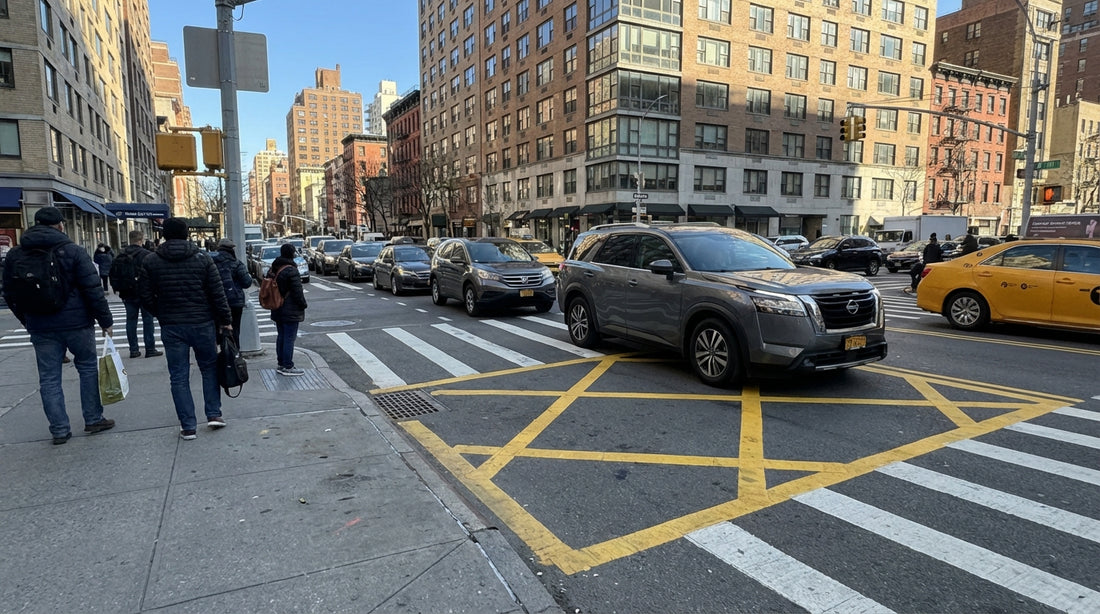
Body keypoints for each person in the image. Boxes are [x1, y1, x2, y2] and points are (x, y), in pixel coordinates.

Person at [1, 207, 115, 444]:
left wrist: (27, 320)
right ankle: (93, 418)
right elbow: (92, 289)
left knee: (49, 377)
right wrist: (105, 321)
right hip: (77, 323)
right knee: (87, 368)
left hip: (41, 324)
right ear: (61, 225)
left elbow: (10, 293)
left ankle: (59, 429)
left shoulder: (16, 254)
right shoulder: (73, 251)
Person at [139, 218, 232, 440]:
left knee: (178, 376)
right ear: (187, 234)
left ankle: (188, 425)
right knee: (209, 369)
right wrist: (225, 319)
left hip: (172, 326)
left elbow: (144, 295)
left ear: (164, 235)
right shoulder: (202, 259)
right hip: (202, 322)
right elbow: (217, 293)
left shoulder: (151, 261)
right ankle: (214, 414)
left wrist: (161, 313)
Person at [111, 230, 161, 358]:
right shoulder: (147, 255)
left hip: (127, 293)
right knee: (148, 320)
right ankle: (150, 348)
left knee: (131, 321)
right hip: (144, 293)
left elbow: (113, 273)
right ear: (141, 240)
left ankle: (134, 349)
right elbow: (153, 274)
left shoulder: (121, 255)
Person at [269, 243, 308, 376]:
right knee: (289, 338)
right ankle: (287, 365)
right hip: (290, 308)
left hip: (277, 306)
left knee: (281, 336)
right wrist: (303, 304)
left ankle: (281, 363)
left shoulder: (275, 267)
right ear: (291, 253)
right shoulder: (291, 270)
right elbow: (297, 292)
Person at [210, 237, 253, 348]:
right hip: (235, 301)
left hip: (216, 301)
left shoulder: (210, 262)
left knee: (216, 330)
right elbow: (247, 282)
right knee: (234, 330)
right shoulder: (236, 263)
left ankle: (219, 354)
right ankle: (234, 355)